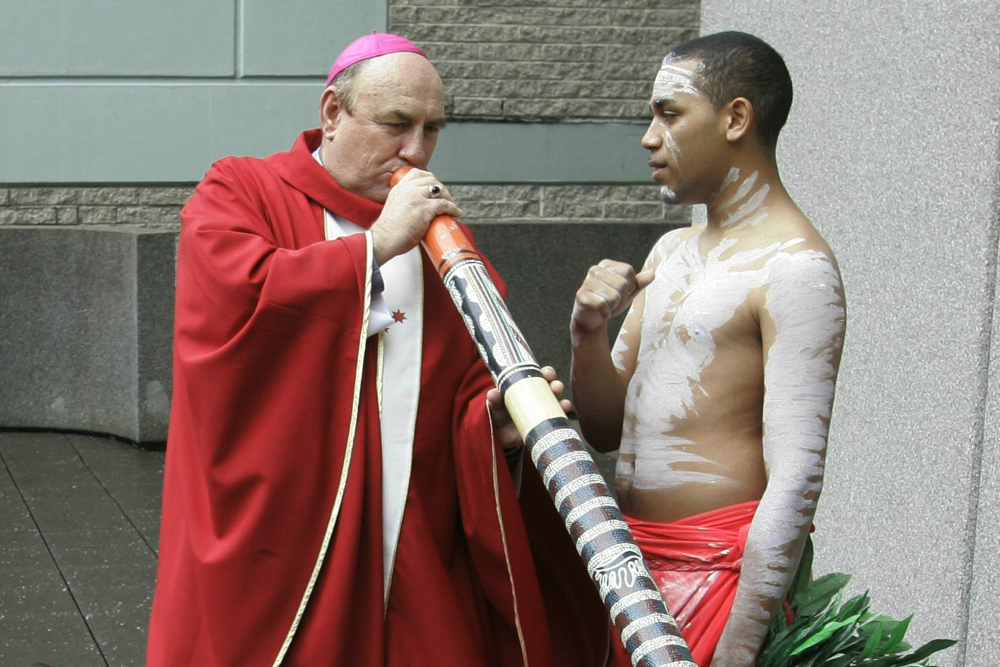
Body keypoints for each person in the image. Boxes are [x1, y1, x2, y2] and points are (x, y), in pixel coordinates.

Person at [146, 33, 606, 667]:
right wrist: (377, 244)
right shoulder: (241, 191)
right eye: (396, 124)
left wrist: (494, 428)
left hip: (412, 538)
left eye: (432, 129)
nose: (415, 152)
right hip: (289, 539)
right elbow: (236, 307)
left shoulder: (446, 245)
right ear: (333, 113)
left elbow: (457, 394)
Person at [569, 31, 846, 667]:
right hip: (626, 563)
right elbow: (607, 430)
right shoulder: (669, 252)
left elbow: (797, 478)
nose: (648, 135)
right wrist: (587, 332)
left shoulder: (796, 268)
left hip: (718, 577)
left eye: (669, 113)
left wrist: (741, 646)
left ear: (736, 118)